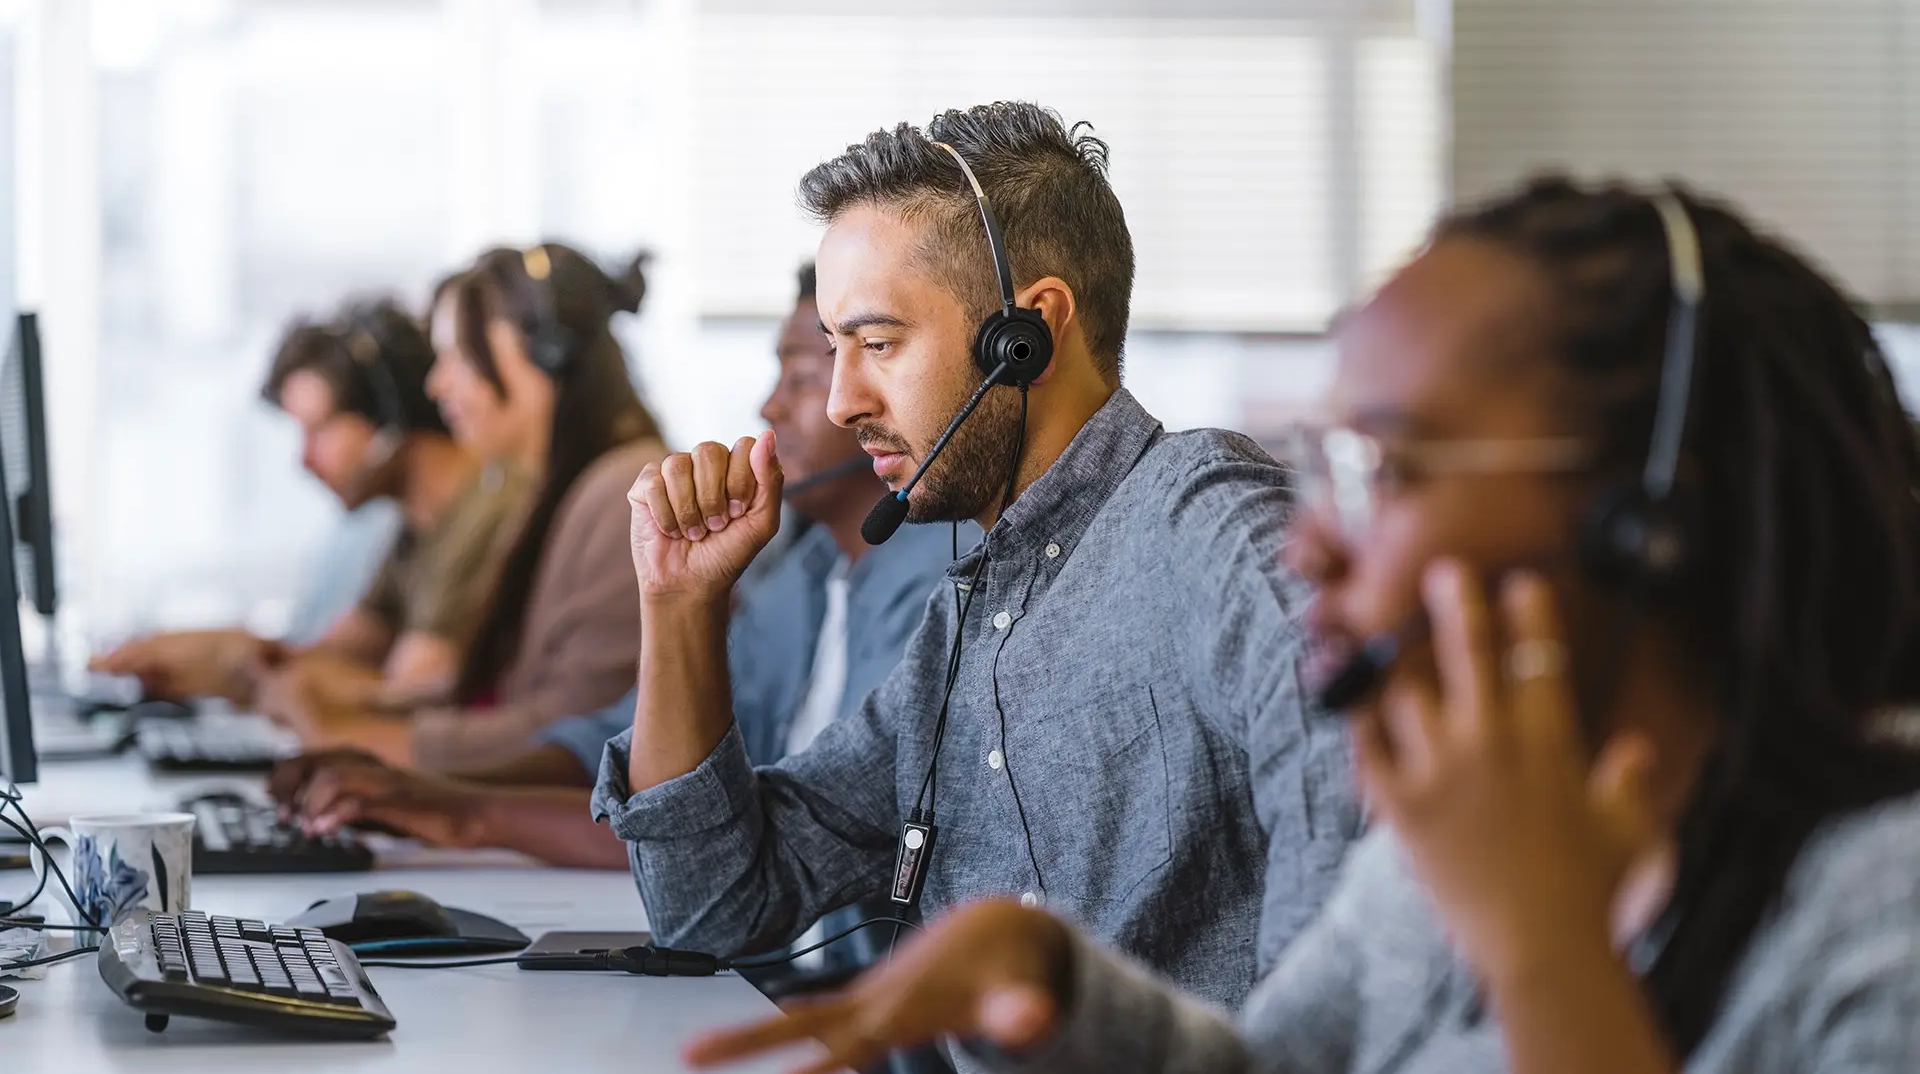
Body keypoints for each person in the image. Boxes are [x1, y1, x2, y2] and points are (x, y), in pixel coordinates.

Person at [684, 177, 1920, 1074]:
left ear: (1647, 519)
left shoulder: (1879, 917)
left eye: (1385, 467)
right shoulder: (1441, 857)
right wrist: (1060, 989)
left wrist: (1545, 956)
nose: (1315, 540)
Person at [598, 100, 1359, 1044]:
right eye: (835, 350)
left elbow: (1358, 842)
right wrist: (678, 604)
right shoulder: (971, 620)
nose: (840, 401)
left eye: (878, 344)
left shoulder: (1210, 526)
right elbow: (712, 907)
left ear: (1026, 336)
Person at [268, 264, 961, 875]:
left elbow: (760, 839)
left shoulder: (934, 585)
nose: (770, 407)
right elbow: (627, 742)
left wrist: (454, 806)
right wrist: (439, 800)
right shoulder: (804, 572)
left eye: (801, 378)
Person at [258, 244, 670, 771]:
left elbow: (575, 736)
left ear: (546, 355)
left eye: (459, 355)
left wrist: (354, 737)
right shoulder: (547, 492)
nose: (437, 384)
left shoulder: (625, 496)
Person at [93, 299, 523, 708]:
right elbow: (332, 655)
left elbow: (408, 692)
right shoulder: (413, 530)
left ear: (389, 414)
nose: (304, 461)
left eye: (319, 431)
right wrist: (212, 654)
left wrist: (246, 673)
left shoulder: (484, 515)